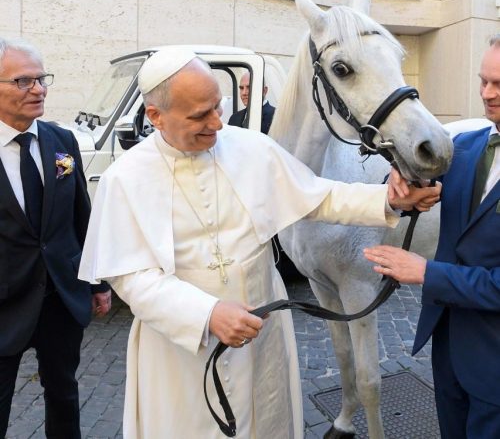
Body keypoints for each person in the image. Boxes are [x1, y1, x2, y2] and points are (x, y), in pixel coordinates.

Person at [78, 47, 440, 439]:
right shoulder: (125, 178)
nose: (216, 123)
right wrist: (206, 314)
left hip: (261, 332)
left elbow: (318, 196)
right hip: (180, 347)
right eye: (199, 116)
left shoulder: (248, 146)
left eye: (218, 106)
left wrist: (389, 199)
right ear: (156, 116)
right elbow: (132, 277)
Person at [364, 34, 500, 439]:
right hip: (449, 349)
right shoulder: (465, 146)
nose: (486, 94)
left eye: (499, 84)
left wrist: (426, 272)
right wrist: (401, 178)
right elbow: (421, 179)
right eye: (483, 81)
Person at [0, 37, 112, 438]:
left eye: (41, 79)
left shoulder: (61, 142)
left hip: (60, 299)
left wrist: (97, 283)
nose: (38, 89)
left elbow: (82, 214)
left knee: (64, 395)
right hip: (4, 305)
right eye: (23, 81)